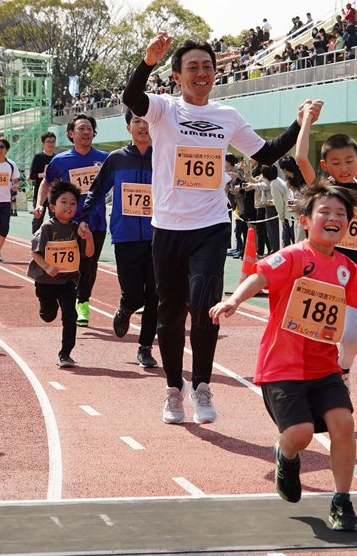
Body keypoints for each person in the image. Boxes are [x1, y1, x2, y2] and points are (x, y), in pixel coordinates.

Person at [121, 32, 320, 425]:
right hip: (168, 228)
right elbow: (132, 99)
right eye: (192, 67)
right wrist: (147, 63)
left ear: (215, 74)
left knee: (205, 307)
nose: (201, 73)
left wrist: (299, 125)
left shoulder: (227, 117)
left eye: (207, 67)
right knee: (171, 314)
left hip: (211, 225)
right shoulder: (163, 110)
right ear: (177, 76)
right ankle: (174, 389)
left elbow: (266, 153)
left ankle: (202, 386)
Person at [209, 180, 357, 532]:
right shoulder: (293, 256)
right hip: (281, 366)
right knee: (300, 434)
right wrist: (234, 300)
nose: (334, 218)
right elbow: (259, 277)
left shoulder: (347, 266)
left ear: (349, 223)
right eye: (325, 213)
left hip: (324, 366)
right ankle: (285, 455)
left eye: (341, 214)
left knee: (344, 424)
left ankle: (342, 502)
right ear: (305, 220)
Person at [296, 127, 357, 390]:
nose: (344, 168)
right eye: (336, 163)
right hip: (323, 273)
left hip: (355, 274)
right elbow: (300, 159)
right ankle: (320, 383)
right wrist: (306, 121)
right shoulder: (323, 189)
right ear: (325, 165)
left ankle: (345, 369)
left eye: (350, 161)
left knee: (351, 337)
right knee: (318, 335)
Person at [79, 110, 158, 368]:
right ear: (128, 128)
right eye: (137, 121)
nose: (142, 126)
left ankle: (145, 348)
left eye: (147, 121)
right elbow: (96, 191)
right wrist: (84, 218)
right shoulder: (116, 159)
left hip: (160, 236)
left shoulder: (165, 157)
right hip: (125, 237)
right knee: (135, 295)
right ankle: (126, 308)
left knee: (155, 296)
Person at [34, 114, 109, 327]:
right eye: (81, 128)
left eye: (89, 128)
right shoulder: (59, 161)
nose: (86, 132)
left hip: (95, 223)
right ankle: (52, 297)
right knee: (62, 263)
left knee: (88, 265)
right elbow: (46, 184)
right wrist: (40, 204)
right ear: (70, 133)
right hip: (65, 223)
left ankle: (82, 302)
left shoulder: (105, 158)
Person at [29, 181, 95, 368]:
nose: (68, 206)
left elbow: (88, 253)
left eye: (73, 203)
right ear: (52, 207)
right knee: (48, 316)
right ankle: (45, 306)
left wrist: (88, 238)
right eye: (64, 202)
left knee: (70, 313)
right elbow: (34, 252)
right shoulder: (48, 228)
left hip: (68, 279)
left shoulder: (76, 228)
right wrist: (47, 267)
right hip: (46, 281)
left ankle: (65, 353)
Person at [30, 132, 57, 234]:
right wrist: (44, 175)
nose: (51, 144)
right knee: (38, 218)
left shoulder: (57, 158)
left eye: (53, 141)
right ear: (43, 144)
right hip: (40, 193)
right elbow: (32, 175)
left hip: (54, 193)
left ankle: (53, 239)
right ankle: (36, 240)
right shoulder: (38, 157)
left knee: (55, 218)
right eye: (48, 142)